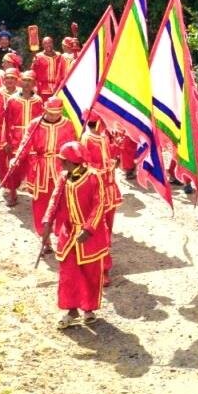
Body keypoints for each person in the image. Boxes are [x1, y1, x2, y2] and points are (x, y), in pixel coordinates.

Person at [44, 140, 111, 329]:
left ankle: (88, 309)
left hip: (91, 237)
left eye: (63, 160)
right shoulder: (63, 177)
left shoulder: (93, 177)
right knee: (68, 273)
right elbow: (55, 200)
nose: (61, 164)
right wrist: (48, 222)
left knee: (91, 273)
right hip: (69, 233)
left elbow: (100, 205)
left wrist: (88, 228)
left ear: (73, 162)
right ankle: (71, 309)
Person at [5, 100, 77, 235]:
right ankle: (44, 236)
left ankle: (62, 234)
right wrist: (17, 158)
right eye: (50, 113)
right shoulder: (35, 124)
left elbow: (73, 145)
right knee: (41, 203)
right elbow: (25, 143)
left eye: (56, 114)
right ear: (44, 110)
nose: (53, 117)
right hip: (41, 168)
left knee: (64, 201)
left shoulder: (67, 124)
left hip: (61, 167)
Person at [81, 117, 122, 280]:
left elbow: (110, 157)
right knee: (99, 227)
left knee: (108, 227)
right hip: (96, 190)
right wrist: (104, 168)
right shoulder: (86, 139)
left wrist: (116, 151)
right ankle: (102, 266)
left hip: (110, 188)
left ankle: (103, 260)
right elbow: (85, 165)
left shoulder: (104, 136)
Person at [0, 70, 42, 186]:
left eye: (30, 81)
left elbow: (41, 123)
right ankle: (12, 190)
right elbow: (7, 122)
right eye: (24, 80)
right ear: (20, 82)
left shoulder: (38, 100)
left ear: (34, 83)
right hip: (16, 138)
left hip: (32, 138)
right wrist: (6, 141)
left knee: (32, 165)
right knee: (14, 166)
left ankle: (32, 189)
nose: (27, 83)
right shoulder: (12, 100)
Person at [0, 67, 19, 181]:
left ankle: (15, 181)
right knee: (1, 156)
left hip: (16, 131)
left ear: (17, 80)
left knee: (16, 156)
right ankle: (5, 181)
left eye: (12, 78)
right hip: (1, 130)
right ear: (3, 79)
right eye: (7, 78)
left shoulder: (21, 93)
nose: (9, 80)